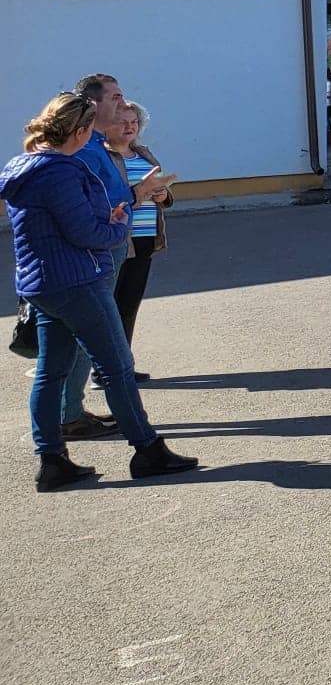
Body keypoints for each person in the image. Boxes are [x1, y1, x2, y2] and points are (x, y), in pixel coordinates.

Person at [4, 93, 197, 492]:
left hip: (42, 284)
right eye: (91, 130)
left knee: (51, 371)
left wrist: (112, 211)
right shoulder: (60, 171)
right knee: (116, 368)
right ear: (78, 132)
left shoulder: (23, 165)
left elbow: (63, 223)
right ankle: (148, 450)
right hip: (76, 282)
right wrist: (119, 225)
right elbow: (87, 233)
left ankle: (53, 460)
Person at [61, 75, 148, 429]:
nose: (123, 104)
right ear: (93, 105)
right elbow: (92, 204)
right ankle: (73, 418)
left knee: (83, 340)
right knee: (92, 340)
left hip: (106, 247)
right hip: (96, 251)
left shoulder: (95, 145)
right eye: (116, 97)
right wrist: (136, 195)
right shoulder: (83, 149)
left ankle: (71, 413)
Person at [105, 100, 170, 355]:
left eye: (134, 122)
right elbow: (106, 198)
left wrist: (163, 194)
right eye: (122, 122)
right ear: (107, 125)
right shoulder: (104, 156)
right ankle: (106, 367)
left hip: (145, 238)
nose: (130, 127)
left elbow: (160, 188)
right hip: (119, 239)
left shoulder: (143, 153)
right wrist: (139, 191)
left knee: (129, 304)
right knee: (110, 304)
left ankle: (123, 364)